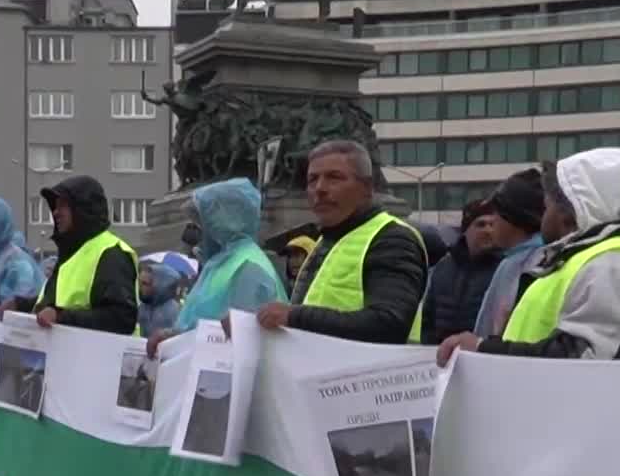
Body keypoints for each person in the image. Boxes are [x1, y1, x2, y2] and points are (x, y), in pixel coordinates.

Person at [438, 148, 620, 364]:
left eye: (547, 207)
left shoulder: (610, 265)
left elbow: (588, 362)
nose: (542, 217)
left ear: (570, 212)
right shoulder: (583, 261)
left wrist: (484, 349)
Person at [261, 140, 427, 344]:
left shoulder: (392, 239)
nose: (320, 188)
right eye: (312, 179)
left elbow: (389, 323)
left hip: (372, 374)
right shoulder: (328, 239)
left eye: (334, 177)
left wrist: (294, 317)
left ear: (367, 188)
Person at [148, 179, 284, 358]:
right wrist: (174, 337)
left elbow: (241, 338)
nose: (197, 233)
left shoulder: (249, 268)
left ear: (223, 223)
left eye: (202, 223)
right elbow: (204, 325)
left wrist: (178, 339)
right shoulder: (221, 263)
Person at [11, 175, 137, 334]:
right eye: (54, 207)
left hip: (101, 357)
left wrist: (61, 316)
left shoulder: (111, 253)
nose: (55, 213)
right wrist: (21, 306)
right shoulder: (71, 252)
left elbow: (121, 319)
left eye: (63, 205)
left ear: (83, 209)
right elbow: (55, 302)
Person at [472, 169, 553, 339]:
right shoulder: (545, 257)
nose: (492, 221)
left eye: (497, 214)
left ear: (513, 219)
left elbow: (490, 330)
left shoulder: (520, 267)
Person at [419, 200, 498, 345]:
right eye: (481, 224)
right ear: (466, 230)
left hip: (481, 355)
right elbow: (428, 318)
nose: (488, 230)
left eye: (493, 225)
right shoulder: (444, 267)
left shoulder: (503, 269)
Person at [137, 259, 184, 338]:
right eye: (140, 283)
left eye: (145, 284)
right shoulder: (144, 307)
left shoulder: (172, 312)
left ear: (160, 286)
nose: (140, 287)